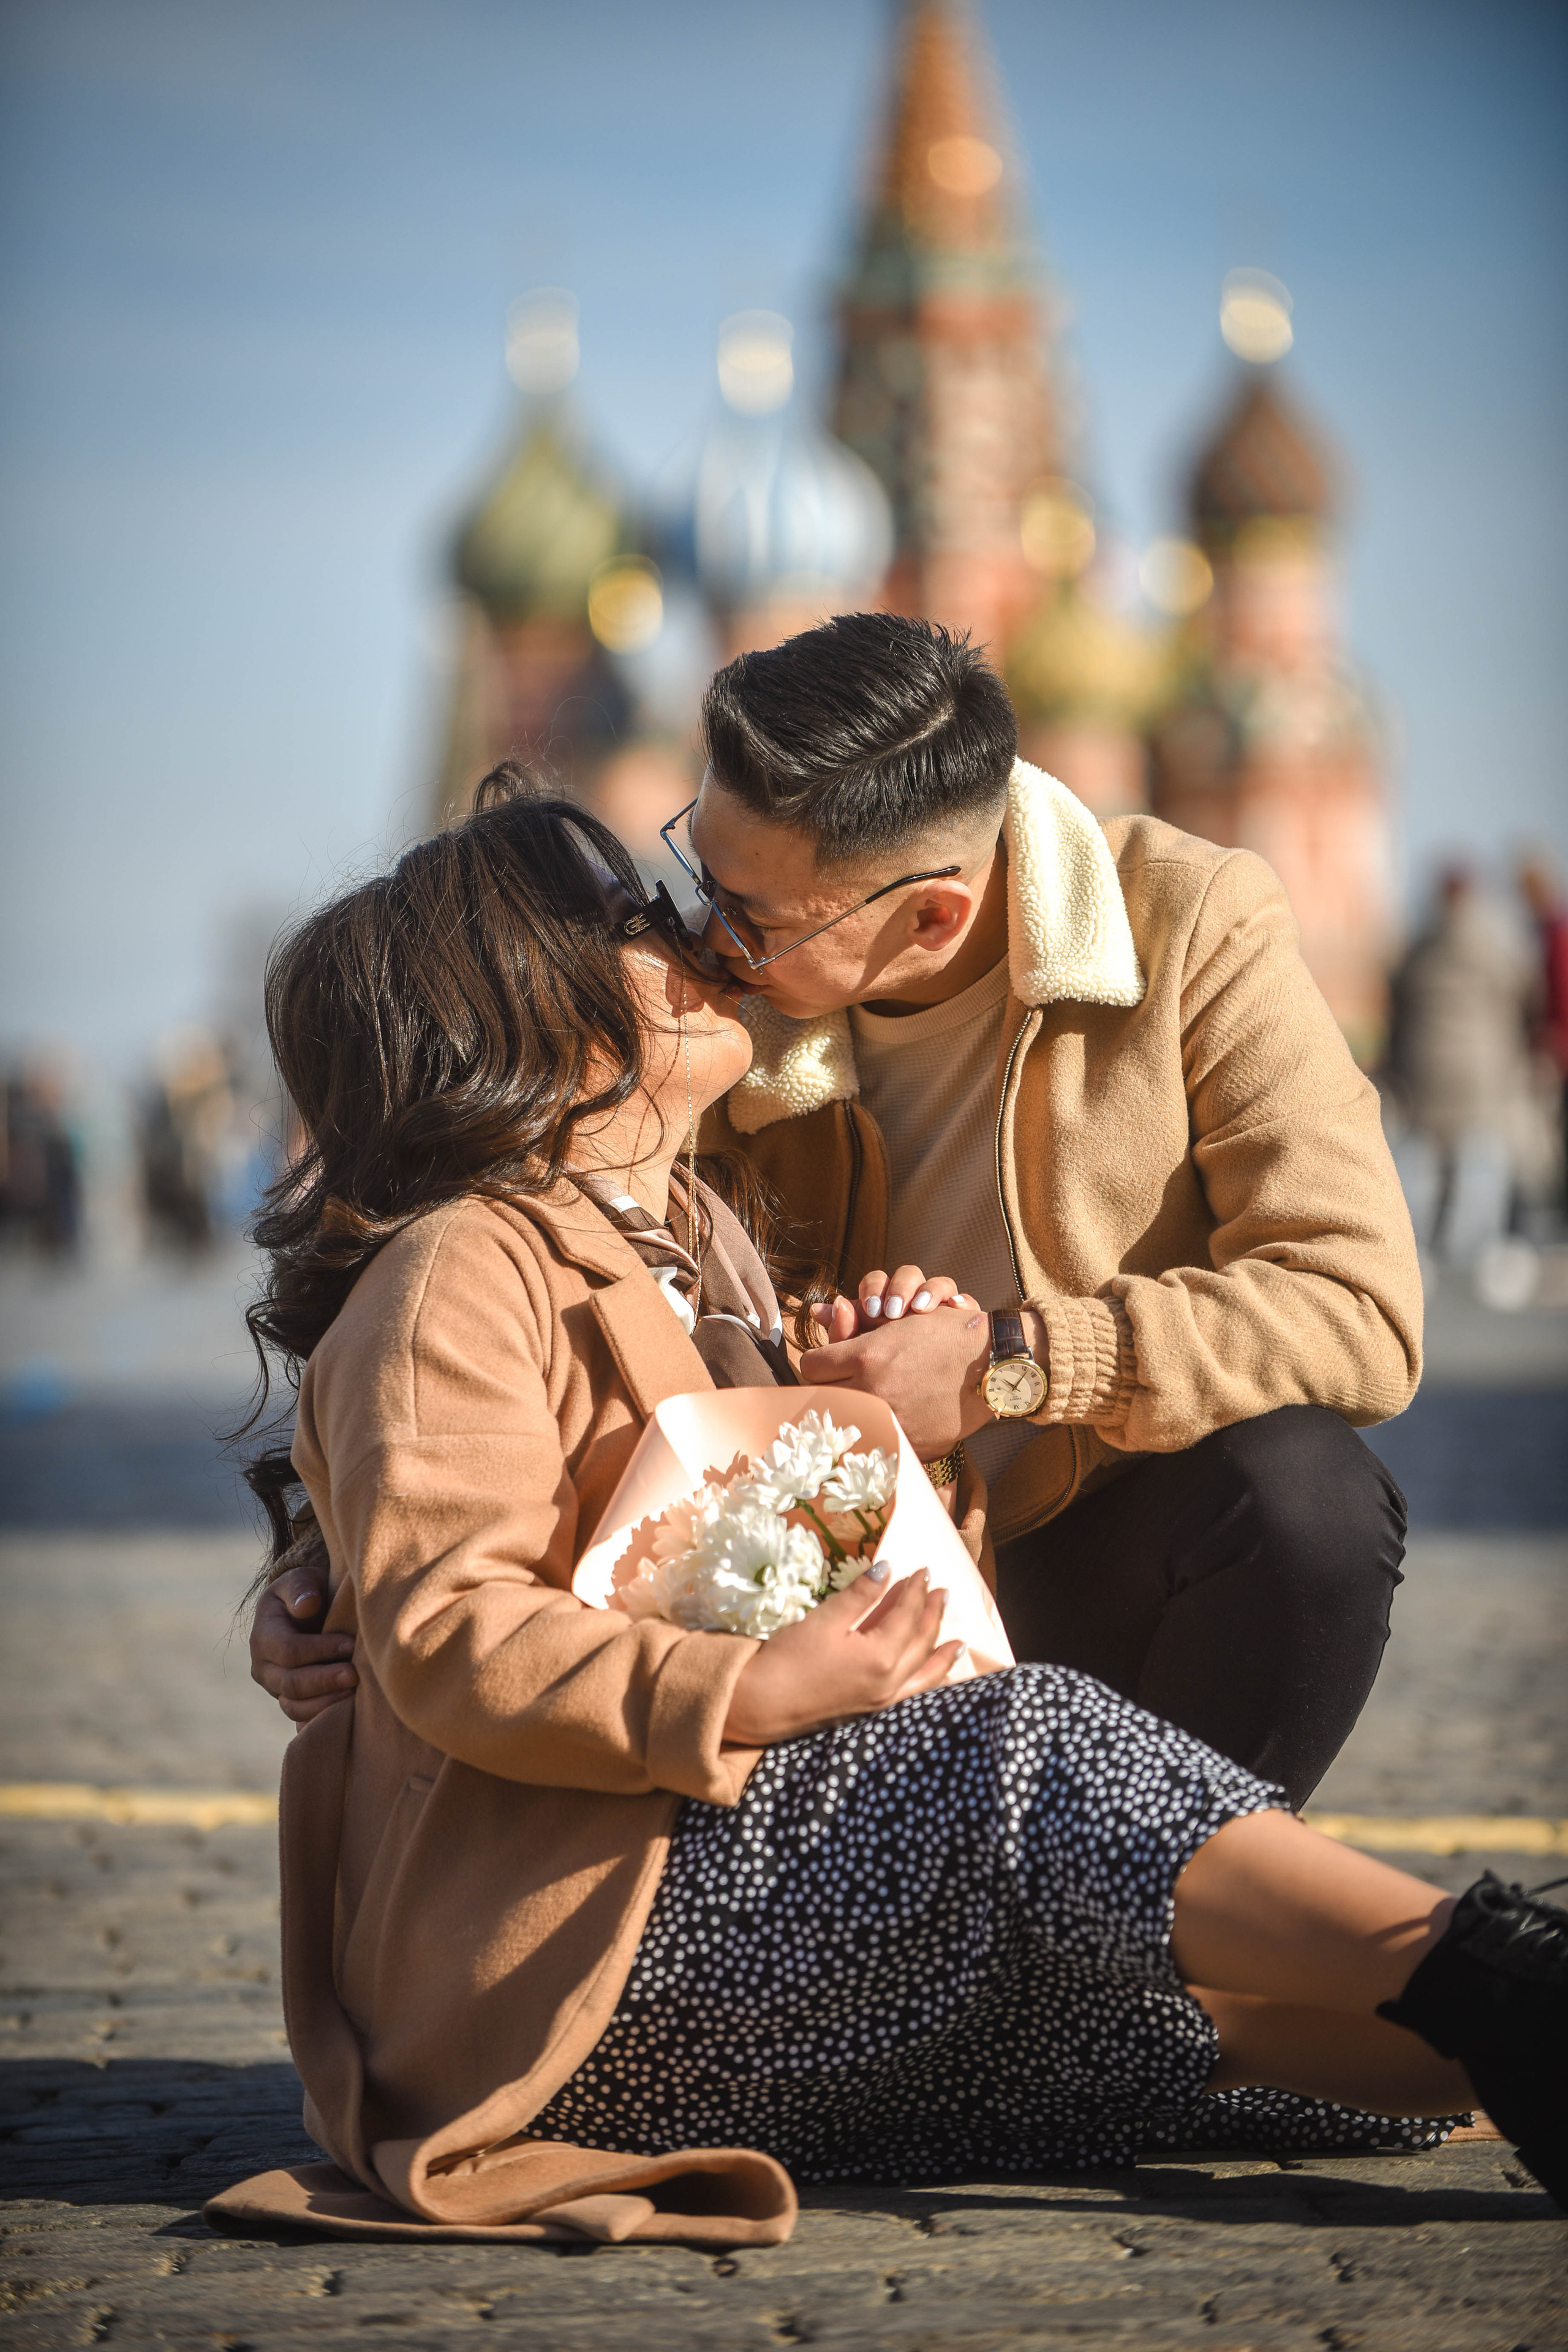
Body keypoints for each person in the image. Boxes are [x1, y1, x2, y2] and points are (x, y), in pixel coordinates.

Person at [232, 769, 1562, 2242]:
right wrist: (753, 1680)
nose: (687, 934)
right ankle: (1500, 1969)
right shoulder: (463, 1267)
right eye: (627, 921)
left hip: (762, 1915)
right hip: (587, 1960)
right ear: (522, 1009)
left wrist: (891, 1438)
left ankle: (1509, 2014)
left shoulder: (707, 1252)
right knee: (1029, 1743)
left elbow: (816, 1574)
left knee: (1278, 2061)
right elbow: (459, 1627)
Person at [256, 614, 1423, 1809]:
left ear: (929, 918)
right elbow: (495, 1255)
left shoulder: (1189, 926)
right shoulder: (711, 1021)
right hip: (823, 1586)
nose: (703, 936)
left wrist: (1004, 1365)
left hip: (1105, 1550)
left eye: (752, 917)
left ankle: (1167, 1919)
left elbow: (1359, 1314)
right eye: (694, 870)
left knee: (1305, 1499)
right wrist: (330, 1551)